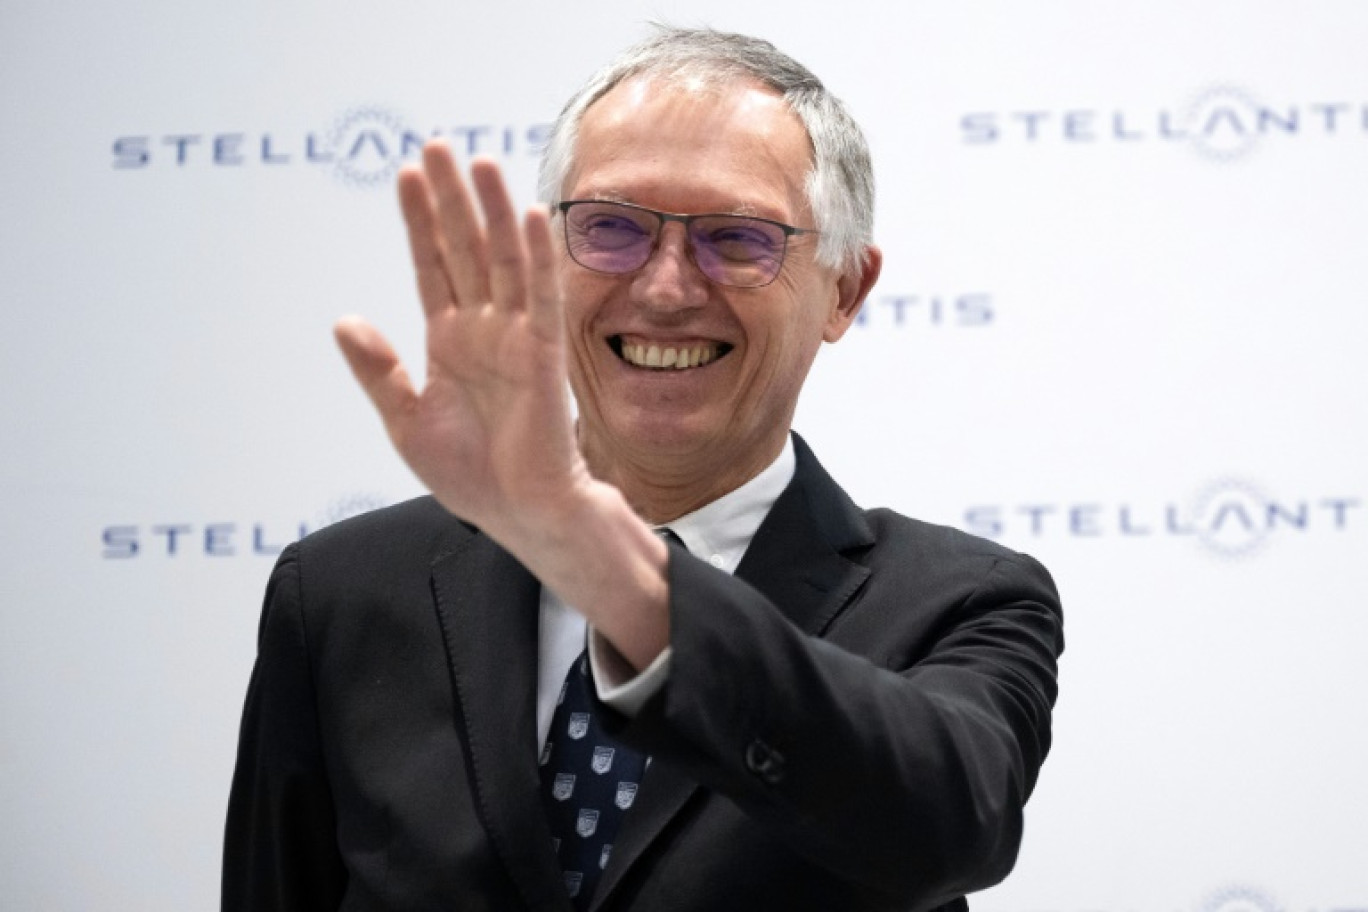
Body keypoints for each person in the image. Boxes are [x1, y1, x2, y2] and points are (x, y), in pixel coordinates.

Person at [223, 26, 1063, 912]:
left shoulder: (961, 601)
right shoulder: (342, 592)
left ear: (845, 288)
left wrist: (589, 544)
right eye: (612, 228)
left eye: (737, 239)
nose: (666, 289)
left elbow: (942, 829)